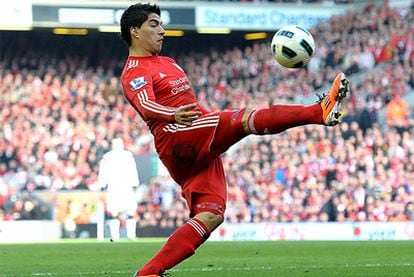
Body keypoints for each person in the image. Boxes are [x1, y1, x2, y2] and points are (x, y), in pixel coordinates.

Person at [119, 3, 350, 277]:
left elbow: (188, 104)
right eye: (154, 25)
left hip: (193, 142)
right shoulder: (134, 70)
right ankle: (318, 111)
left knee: (211, 214)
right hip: (177, 136)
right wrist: (173, 115)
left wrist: (196, 118)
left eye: (161, 24)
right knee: (244, 119)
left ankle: (148, 272)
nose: (162, 30)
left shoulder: (167, 62)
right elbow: (146, 105)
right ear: (135, 31)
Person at [97, 138, 140, 240]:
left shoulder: (128, 155)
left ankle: (131, 235)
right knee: (114, 211)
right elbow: (103, 171)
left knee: (130, 211)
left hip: (126, 185)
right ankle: (115, 236)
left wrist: (134, 182)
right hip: (114, 186)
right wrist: (102, 183)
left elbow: (132, 169)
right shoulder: (107, 157)